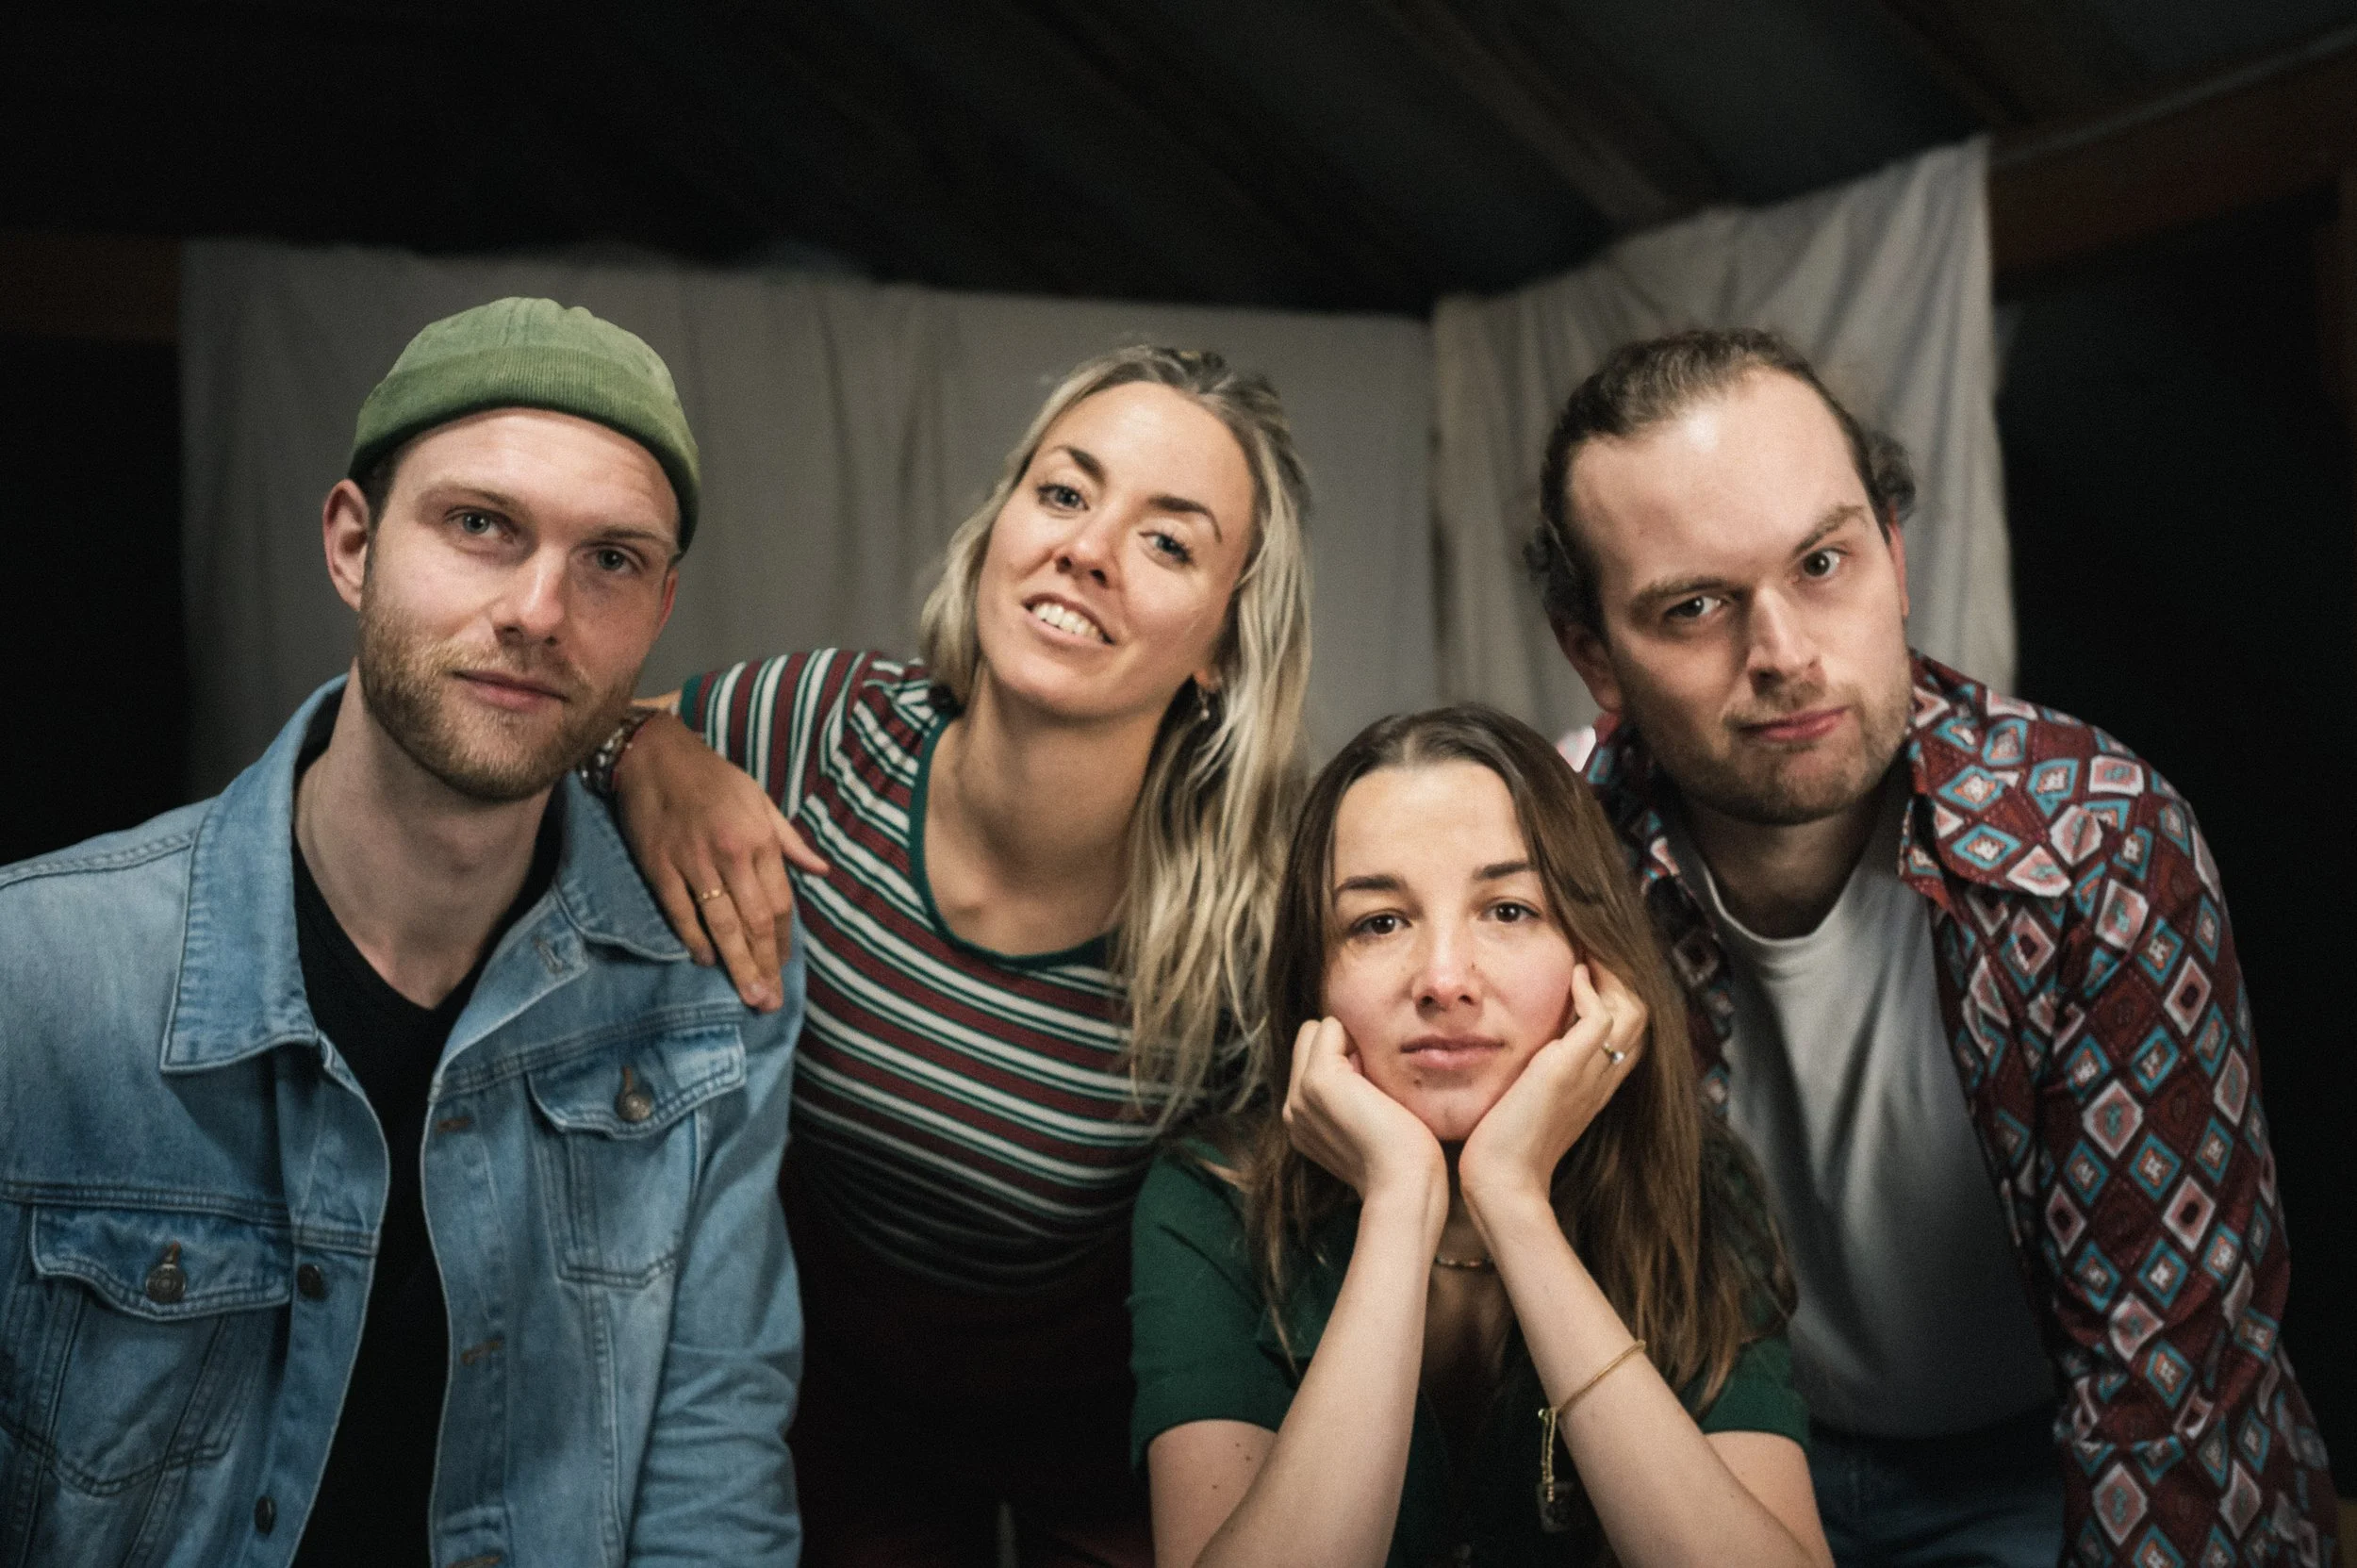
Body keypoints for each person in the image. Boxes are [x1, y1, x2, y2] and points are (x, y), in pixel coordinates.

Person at [0, 299, 805, 1567]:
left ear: (658, 610)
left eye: (609, 558)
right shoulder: (38, 974)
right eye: (480, 524)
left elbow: (716, 1478)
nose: (538, 609)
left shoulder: (707, 981)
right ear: (352, 543)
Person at [1525, 327, 2335, 1568]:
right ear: (1595, 656)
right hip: (1736, 1438)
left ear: (1894, 559)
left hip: (2049, 1457)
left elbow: (2164, 1394)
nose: (1784, 652)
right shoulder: (1554, 864)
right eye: (1694, 606)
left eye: (1822, 562)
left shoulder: (2093, 847)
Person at [598, 345, 1312, 1565]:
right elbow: (525, 722)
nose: (1087, 548)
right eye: (1064, 492)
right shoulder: (824, 728)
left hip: (1106, 1455)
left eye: (1168, 541)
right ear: (997, 532)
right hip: (829, 1422)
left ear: (1223, 648)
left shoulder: (1250, 931)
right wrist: (640, 749)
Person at [1130, 704, 1831, 1568]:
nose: (1444, 979)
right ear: (1312, 978)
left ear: (1595, 960)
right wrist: (1400, 1200)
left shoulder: (1698, 1190)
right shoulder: (1210, 1202)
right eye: (1379, 922)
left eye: (1507, 909)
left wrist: (1512, 1198)